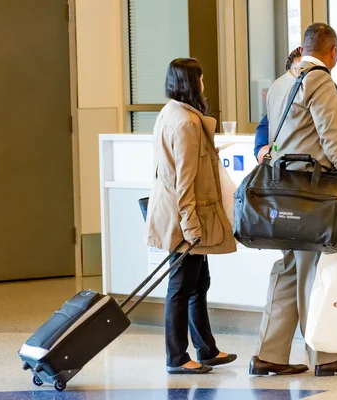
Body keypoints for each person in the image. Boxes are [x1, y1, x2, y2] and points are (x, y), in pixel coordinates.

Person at [249, 23, 337, 377]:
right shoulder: (320, 80)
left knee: (289, 270)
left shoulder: (280, 83)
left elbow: (275, 139)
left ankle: (268, 355)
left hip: (283, 191)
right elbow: (334, 141)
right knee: (313, 273)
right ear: (333, 51)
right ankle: (326, 357)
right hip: (312, 195)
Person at [144, 58, 237, 374]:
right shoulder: (186, 122)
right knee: (182, 286)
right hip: (186, 217)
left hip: (180, 214)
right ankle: (177, 357)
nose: (203, 84)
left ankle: (207, 349)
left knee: (198, 282)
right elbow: (184, 180)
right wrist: (190, 225)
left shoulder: (171, 113)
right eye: (200, 78)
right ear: (191, 82)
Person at [254, 48, 337, 246]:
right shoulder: (277, 111)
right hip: (305, 198)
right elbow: (262, 152)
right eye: (299, 70)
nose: (306, 76)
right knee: (307, 266)